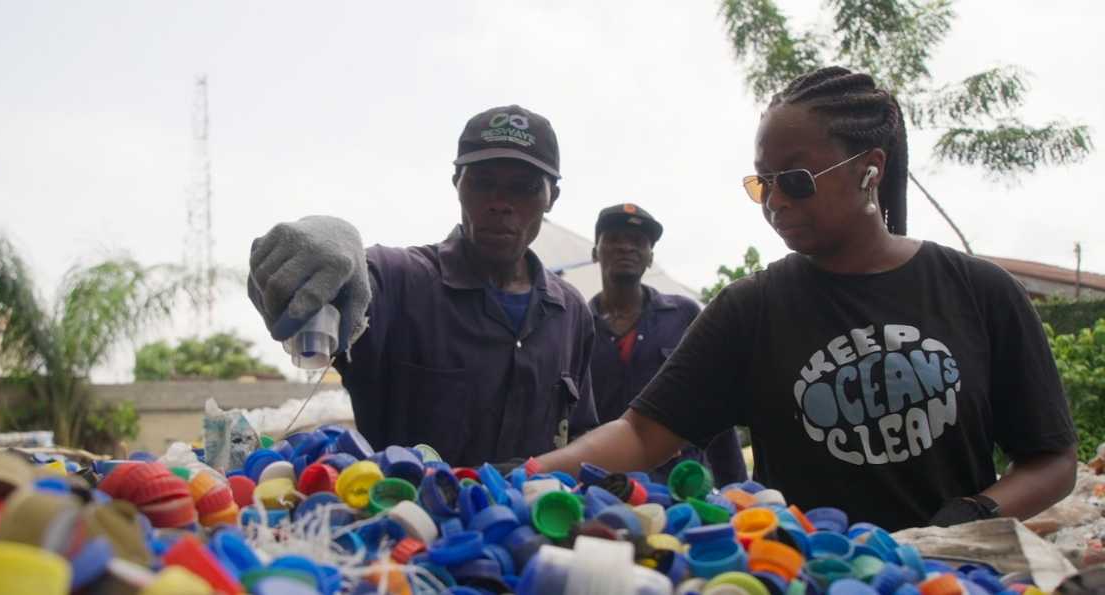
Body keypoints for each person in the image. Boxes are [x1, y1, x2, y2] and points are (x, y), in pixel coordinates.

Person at [536, 67, 1078, 531]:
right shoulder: (752, 310)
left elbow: (1052, 459)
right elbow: (641, 433)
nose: (774, 201)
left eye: (794, 180)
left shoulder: (980, 293)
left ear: (871, 168)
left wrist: (976, 512)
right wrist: (529, 474)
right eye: (762, 182)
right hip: (805, 576)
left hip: (947, 577)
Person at [248, 105, 598, 467]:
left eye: (522, 188)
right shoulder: (398, 280)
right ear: (457, 183)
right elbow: (346, 280)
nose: (500, 203)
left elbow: (581, 432)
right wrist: (317, 245)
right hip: (403, 519)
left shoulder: (571, 312)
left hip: (536, 520)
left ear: (552, 197)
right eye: (483, 183)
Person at [588, 203, 747, 487]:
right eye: (613, 239)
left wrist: (735, 487)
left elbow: (716, 405)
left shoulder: (684, 315)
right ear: (595, 251)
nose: (626, 248)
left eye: (638, 242)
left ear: (650, 257)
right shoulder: (578, 324)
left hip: (680, 491)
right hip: (600, 489)